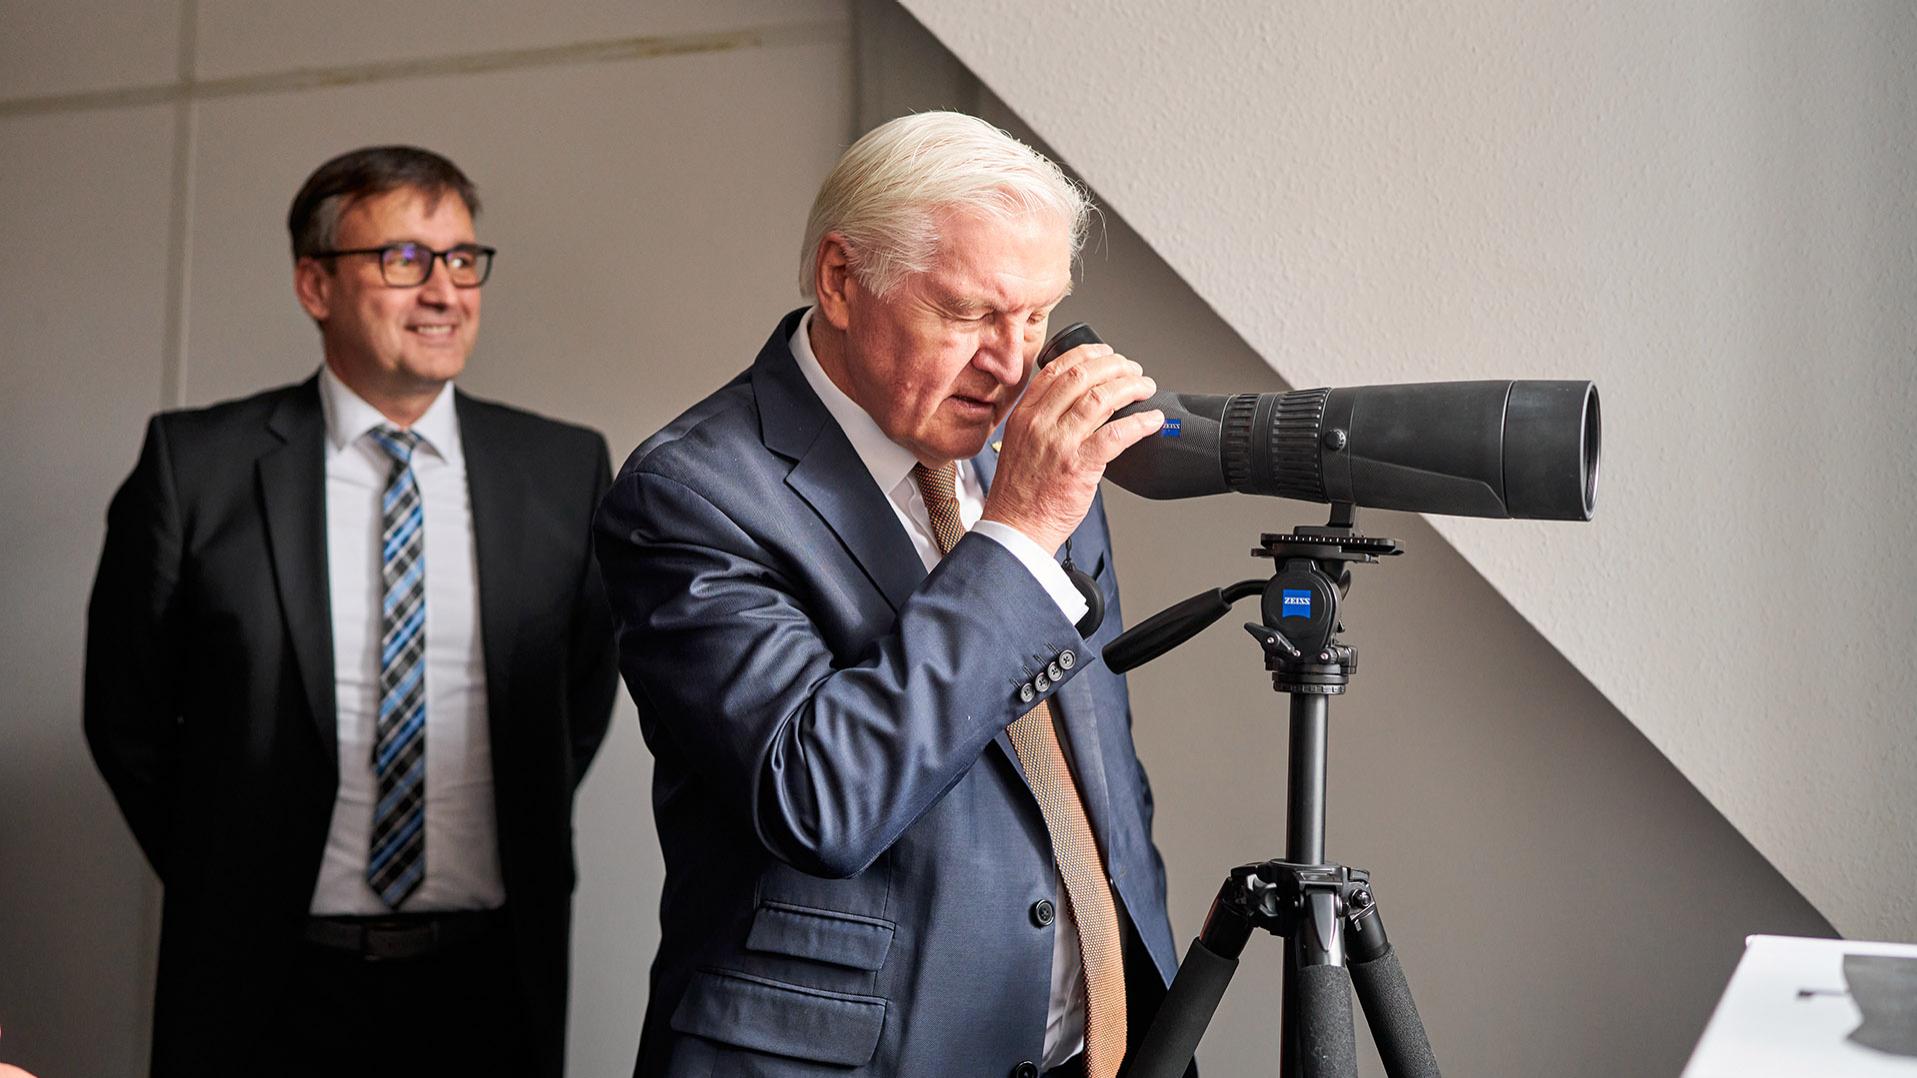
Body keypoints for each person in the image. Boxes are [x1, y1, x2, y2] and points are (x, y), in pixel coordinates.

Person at [596, 112, 1180, 1078]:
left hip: (1092, 1047)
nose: (1013, 365)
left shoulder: (1027, 455)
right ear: (839, 279)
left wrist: (1143, 980)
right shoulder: (685, 494)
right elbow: (820, 802)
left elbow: (1094, 762)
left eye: (1036, 315)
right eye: (967, 314)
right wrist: (1018, 533)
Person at [84, 145, 619, 1078]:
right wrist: (230, 871)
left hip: (489, 981)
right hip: (266, 981)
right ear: (314, 284)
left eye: (460, 258)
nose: (445, 290)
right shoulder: (195, 468)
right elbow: (125, 714)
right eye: (404, 259)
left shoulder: (564, 473)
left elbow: (577, 700)